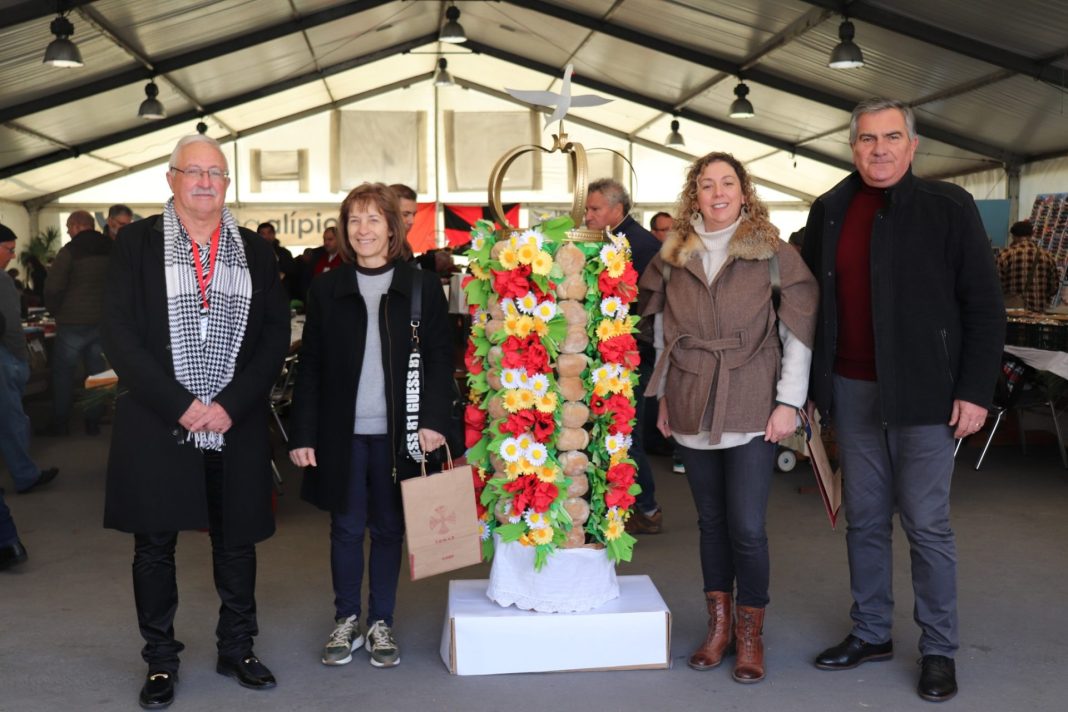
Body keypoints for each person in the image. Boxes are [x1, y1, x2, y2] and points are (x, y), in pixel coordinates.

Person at [801, 98, 1005, 703]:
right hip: (852, 391)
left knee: (926, 525)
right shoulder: (829, 210)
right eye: (867, 139)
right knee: (863, 521)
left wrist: (974, 390)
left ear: (913, 146)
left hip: (927, 398)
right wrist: (812, 390)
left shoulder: (948, 208)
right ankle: (871, 632)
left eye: (892, 137)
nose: (880, 149)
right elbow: (811, 306)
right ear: (853, 146)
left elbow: (984, 308)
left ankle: (938, 649)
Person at [101, 135, 290, 709]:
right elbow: (119, 334)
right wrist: (180, 404)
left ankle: (237, 647)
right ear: (171, 179)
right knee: (154, 545)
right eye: (194, 171)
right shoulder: (136, 244)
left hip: (234, 420)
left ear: (228, 183)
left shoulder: (256, 252)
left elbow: (273, 338)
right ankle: (160, 660)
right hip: (160, 419)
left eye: (217, 173)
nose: (206, 182)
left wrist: (230, 403)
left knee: (236, 540)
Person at [640, 152, 817, 684]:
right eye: (706, 184)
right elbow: (662, 332)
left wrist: (789, 402)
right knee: (711, 523)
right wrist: (666, 397)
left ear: (745, 191)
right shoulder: (674, 251)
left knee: (746, 526)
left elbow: (797, 334)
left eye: (728, 183)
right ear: (694, 194)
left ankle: (749, 632)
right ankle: (717, 626)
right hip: (692, 394)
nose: (717, 193)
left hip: (752, 399)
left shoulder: (772, 252)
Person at [289, 182, 453, 670]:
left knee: (387, 528)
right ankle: (346, 619)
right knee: (344, 526)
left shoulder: (421, 286)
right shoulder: (326, 287)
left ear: (393, 228)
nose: (362, 230)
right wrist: (302, 433)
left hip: (400, 432)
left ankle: (381, 621)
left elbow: (441, 359)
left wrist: (435, 420)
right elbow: (312, 364)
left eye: (373, 220)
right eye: (354, 220)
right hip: (342, 431)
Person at [585, 178, 662, 534]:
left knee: (623, 432)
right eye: (587, 208)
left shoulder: (639, 245)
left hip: (633, 354)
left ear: (617, 210)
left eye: (594, 209)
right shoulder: (612, 239)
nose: (587, 216)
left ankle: (646, 507)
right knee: (614, 431)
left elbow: (645, 306)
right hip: (615, 351)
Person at [0, 224, 59, 497]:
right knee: (12, 421)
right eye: (8, 250)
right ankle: (25, 475)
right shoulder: (2, 281)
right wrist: (20, 358)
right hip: (5, 356)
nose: (12, 256)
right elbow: (11, 326)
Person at [43, 210, 111, 436]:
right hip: (102, 321)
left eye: (68, 228)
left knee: (63, 374)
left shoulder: (69, 251)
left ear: (77, 226)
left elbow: (53, 287)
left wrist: (54, 310)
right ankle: (92, 422)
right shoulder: (112, 248)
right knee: (96, 374)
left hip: (72, 322)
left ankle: (61, 424)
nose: (67, 232)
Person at [997, 219, 1060, 312]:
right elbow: (1054, 288)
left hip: (1013, 312)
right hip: (1038, 311)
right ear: (1032, 234)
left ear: (1013, 235)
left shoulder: (1004, 255)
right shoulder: (1047, 256)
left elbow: (997, 284)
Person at [257, 221, 300, 302]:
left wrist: (283, 273)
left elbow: (294, 271)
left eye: (269, 233)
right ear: (258, 235)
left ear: (274, 234)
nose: (266, 236)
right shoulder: (254, 254)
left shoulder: (284, 253)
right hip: (261, 295)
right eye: (263, 233)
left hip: (282, 295)